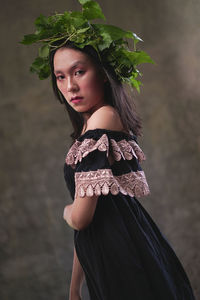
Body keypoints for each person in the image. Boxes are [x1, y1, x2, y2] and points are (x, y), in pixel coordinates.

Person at [20, 1, 196, 299]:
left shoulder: (104, 117)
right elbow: (87, 222)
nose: (70, 86)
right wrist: (75, 286)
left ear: (102, 73)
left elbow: (80, 218)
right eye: (61, 76)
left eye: (79, 72)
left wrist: (66, 212)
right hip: (105, 256)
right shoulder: (87, 133)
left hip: (123, 254)